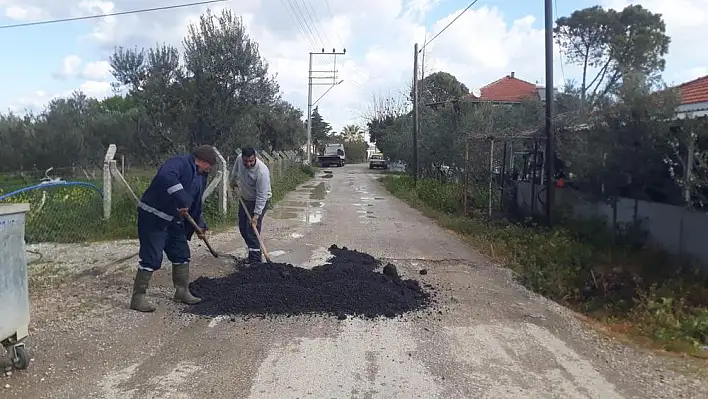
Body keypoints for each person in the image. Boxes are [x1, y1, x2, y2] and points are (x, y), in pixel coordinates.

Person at [129, 145, 218, 313]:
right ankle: (138, 298)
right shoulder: (179, 163)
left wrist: (199, 223)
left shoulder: (200, 176)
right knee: (152, 257)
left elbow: (195, 202)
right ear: (203, 161)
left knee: (181, 254)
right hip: (154, 216)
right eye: (209, 165)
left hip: (173, 221)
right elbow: (166, 177)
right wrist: (182, 199)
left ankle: (182, 291)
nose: (209, 169)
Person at [229, 146, 272, 265]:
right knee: (243, 227)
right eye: (245, 161)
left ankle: (256, 262)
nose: (248, 164)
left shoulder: (262, 172)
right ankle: (252, 254)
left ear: (255, 158)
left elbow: (262, 196)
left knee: (252, 230)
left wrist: (256, 216)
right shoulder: (239, 159)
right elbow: (235, 171)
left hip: (259, 201)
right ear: (242, 158)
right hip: (245, 199)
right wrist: (232, 182)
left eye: (251, 161)